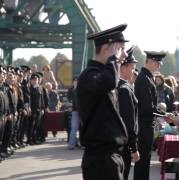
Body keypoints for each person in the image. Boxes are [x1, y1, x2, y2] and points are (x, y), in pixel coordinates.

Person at [77, 24, 129, 180]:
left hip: (110, 156)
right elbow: (108, 82)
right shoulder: (89, 75)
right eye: (120, 49)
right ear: (108, 47)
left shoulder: (103, 73)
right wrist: (114, 59)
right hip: (100, 158)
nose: (124, 55)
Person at [134, 50, 166, 180]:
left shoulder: (146, 77)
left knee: (144, 160)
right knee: (143, 161)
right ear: (151, 61)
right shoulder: (144, 79)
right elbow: (148, 107)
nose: (159, 66)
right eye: (158, 63)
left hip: (145, 124)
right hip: (144, 125)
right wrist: (164, 114)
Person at [117, 47, 140, 180]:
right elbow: (128, 122)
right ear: (124, 68)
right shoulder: (124, 89)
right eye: (132, 67)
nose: (134, 71)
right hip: (124, 144)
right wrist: (133, 148)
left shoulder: (120, 86)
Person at [68, 77, 80, 150]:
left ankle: (82, 144)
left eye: (77, 81)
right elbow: (69, 99)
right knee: (74, 128)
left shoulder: (82, 89)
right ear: (73, 82)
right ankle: (71, 145)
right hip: (75, 110)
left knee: (83, 128)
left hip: (83, 111)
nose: (76, 82)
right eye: (74, 81)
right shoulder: (70, 90)